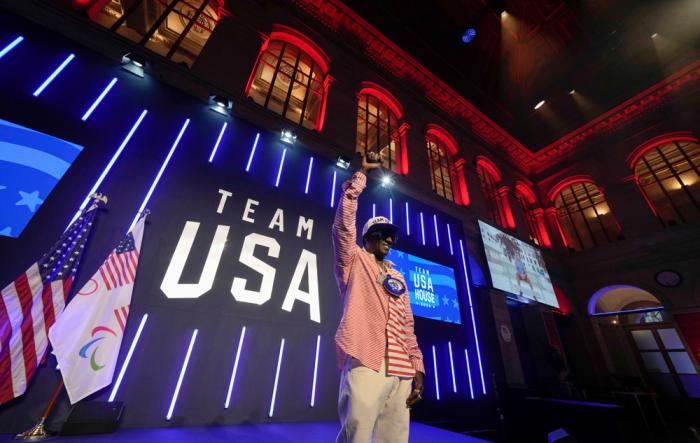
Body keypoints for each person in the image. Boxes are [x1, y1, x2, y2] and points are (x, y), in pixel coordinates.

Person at [332, 150, 425, 443]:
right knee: (356, 434)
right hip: (366, 358)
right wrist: (362, 177)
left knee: (395, 439)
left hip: (401, 369)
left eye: (390, 235)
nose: (387, 238)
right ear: (367, 238)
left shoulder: (398, 276)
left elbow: (407, 325)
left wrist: (417, 367)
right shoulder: (354, 261)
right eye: (380, 233)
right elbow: (343, 227)